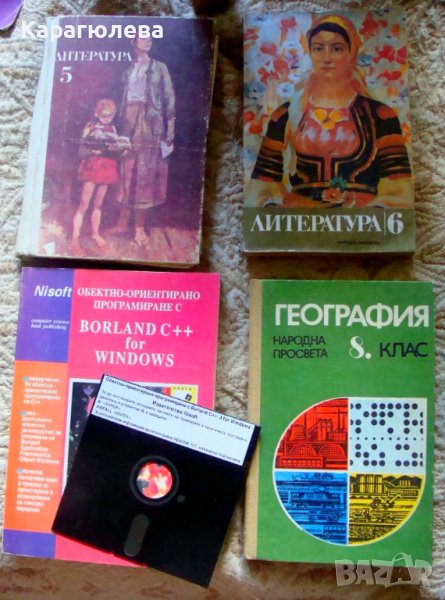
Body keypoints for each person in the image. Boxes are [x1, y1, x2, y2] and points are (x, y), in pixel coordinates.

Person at [247, 14, 413, 209]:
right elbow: (263, 185)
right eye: (318, 48)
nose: (326, 58)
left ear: (351, 53)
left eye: (336, 48)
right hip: (302, 221)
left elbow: (399, 189)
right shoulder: (285, 115)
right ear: (310, 52)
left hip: (362, 222)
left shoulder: (380, 115)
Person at [112, 35, 175, 246]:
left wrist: (170, 131)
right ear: (133, 42)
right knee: (126, 170)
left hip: (149, 122)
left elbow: (169, 99)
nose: (148, 41)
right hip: (127, 120)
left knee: (144, 173)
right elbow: (122, 99)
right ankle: (122, 222)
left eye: (150, 39)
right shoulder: (127, 69)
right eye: (143, 38)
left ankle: (139, 228)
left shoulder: (159, 68)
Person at [71, 98, 120, 254]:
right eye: (104, 116)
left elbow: (114, 147)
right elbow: (81, 151)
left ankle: (95, 233)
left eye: (110, 116)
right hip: (92, 167)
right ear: (97, 113)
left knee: (98, 204)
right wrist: (93, 151)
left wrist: (119, 147)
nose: (107, 119)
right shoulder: (90, 127)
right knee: (84, 204)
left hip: (106, 167)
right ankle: (74, 239)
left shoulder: (112, 128)